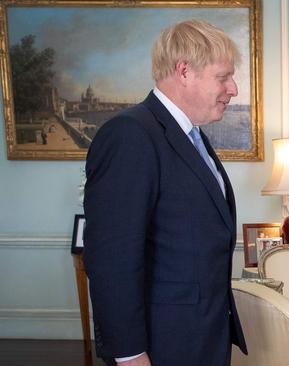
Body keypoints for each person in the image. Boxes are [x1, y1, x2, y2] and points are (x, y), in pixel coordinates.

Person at [83, 20, 246, 366]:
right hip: (163, 344)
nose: (233, 88)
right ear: (184, 71)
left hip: (202, 336)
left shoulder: (192, 135)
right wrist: (129, 354)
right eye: (223, 77)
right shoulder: (130, 135)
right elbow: (112, 260)